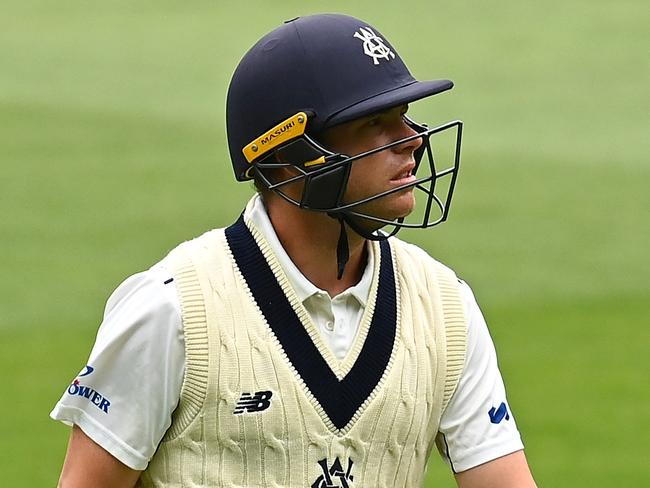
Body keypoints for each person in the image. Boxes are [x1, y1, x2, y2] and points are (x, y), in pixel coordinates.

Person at [51, 13, 537, 488]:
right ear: (291, 157)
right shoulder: (173, 309)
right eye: (374, 122)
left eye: (406, 117)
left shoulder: (446, 307)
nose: (411, 141)